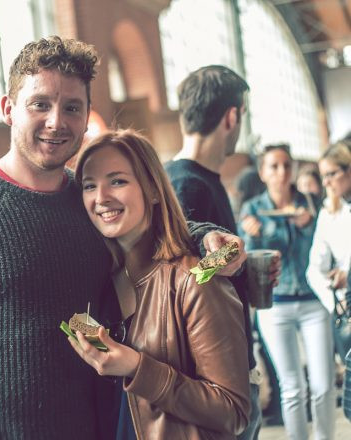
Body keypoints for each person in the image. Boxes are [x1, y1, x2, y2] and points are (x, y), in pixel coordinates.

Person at [0, 35, 246, 440]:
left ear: (87, 117)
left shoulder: (88, 202)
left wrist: (209, 234)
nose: (57, 121)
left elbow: (153, 226)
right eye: (40, 104)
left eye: (72, 107)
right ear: (8, 109)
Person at [69, 128, 251, 439]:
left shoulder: (195, 280)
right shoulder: (96, 284)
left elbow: (233, 411)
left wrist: (137, 367)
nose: (101, 198)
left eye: (118, 181)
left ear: (153, 190)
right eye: (89, 186)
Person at [164, 65, 277, 440]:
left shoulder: (194, 179)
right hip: (216, 380)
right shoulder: (186, 184)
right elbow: (191, 274)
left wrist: (244, 271)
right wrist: (239, 266)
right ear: (232, 116)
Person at [239, 144, 335, 440]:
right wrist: (251, 236)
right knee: (292, 386)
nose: (281, 173)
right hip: (274, 305)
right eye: (274, 166)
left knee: (323, 385)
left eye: (286, 166)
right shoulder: (252, 209)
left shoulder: (309, 203)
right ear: (263, 173)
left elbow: (326, 249)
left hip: (313, 303)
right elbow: (249, 263)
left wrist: (309, 226)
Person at [306, 142, 351, 360]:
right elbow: (314, 269)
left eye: (331, 174)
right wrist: (335, 303)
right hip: (347, 310)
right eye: (323, 176)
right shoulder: (328, 212)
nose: (326, 182)